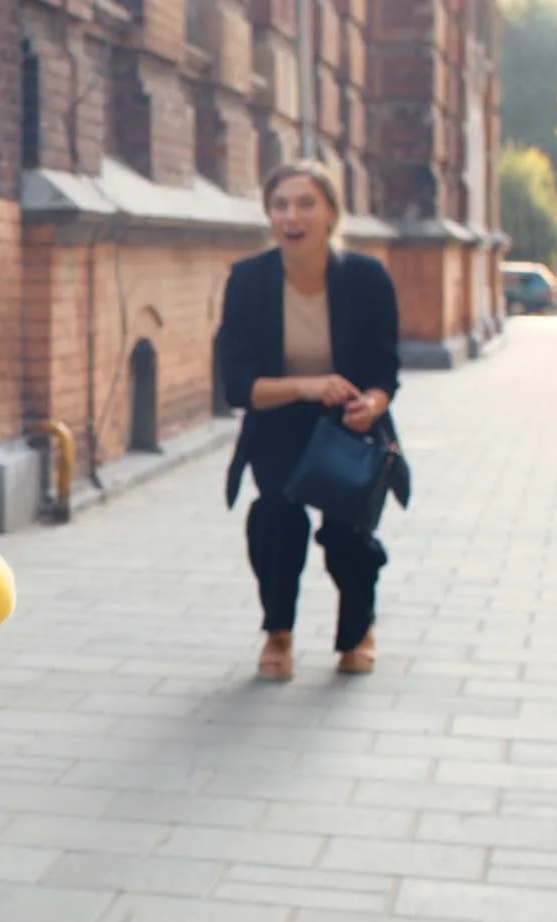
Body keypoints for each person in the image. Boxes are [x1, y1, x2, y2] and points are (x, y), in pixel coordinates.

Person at [215, 160, 411, 681]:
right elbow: (237, 386)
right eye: (280, 205)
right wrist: (307, 385)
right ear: (268, 215)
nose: (291, 216)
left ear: (330, 214)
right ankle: (278, 633)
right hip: (278, 423)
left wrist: (373, 403)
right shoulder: (249, 281)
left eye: (305, 203)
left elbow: (385, 372)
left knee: (348, 534)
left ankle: (357, 629)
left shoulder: (367, 279)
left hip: (347, 427)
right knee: (277, 517)